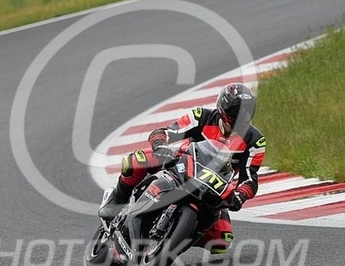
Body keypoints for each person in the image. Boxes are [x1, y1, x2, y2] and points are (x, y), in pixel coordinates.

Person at [98, 82, 266, 254]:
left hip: (214, 187)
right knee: (135, 161)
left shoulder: (255, 141)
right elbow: (165, 132)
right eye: (238, 112)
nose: (242, 117)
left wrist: (240, 195)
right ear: (224, 109)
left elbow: (250, 178)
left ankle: (175, 236)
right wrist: (160, 145)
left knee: (222, 241)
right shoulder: (201, 116)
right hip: (180, 164)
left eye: (247, 112)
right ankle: (116, 200)